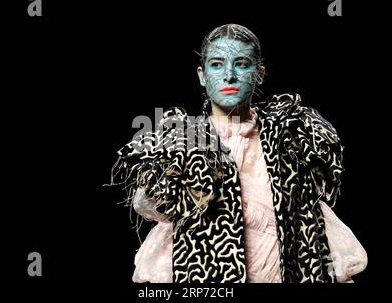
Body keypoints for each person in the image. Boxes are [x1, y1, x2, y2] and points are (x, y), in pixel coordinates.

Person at [111, 24, 367, 283]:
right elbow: (152, 208)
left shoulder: (293, 136)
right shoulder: (180, 143)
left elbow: (312, 214)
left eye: (242, 64)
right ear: (202, 75)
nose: (229, 75)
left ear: (260, 73)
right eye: (217, 64)